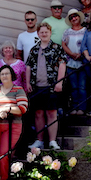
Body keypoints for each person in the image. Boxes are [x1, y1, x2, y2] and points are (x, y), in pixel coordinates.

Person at [26, 22, 67, 150]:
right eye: (41, 32)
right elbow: (28, 66)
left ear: (50, 33)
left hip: (52, 86)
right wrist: (27, 83)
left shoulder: (57, 48)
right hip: (36, 86)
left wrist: (59, 82)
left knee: (51, 113)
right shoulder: (34, 49)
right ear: (38, 34)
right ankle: (39, 140)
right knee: (38, 114)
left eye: (46, 32)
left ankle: (52, 141)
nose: (44, 34)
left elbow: (62, 64)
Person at [0, 65, 28, 180]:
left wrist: (7, 108)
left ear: (12, 75)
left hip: (13, 126)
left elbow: (22, 108)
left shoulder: (18, 89)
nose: (4, 76)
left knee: (4, 152)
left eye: (7, 73)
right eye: (2, 74)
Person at [62, 9, 87, 115]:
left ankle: (82, 108)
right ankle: (74, 107)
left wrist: (81, 54)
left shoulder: (86, 30)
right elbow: (64, 45)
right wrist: (72, 54)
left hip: (82, 62)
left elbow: (88, 44)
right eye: (71, 17)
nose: (74, 18)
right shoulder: (67, 32)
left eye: (75, 16)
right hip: (71, 62)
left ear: (79, 17)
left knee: (82, 87)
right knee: (73, 87)